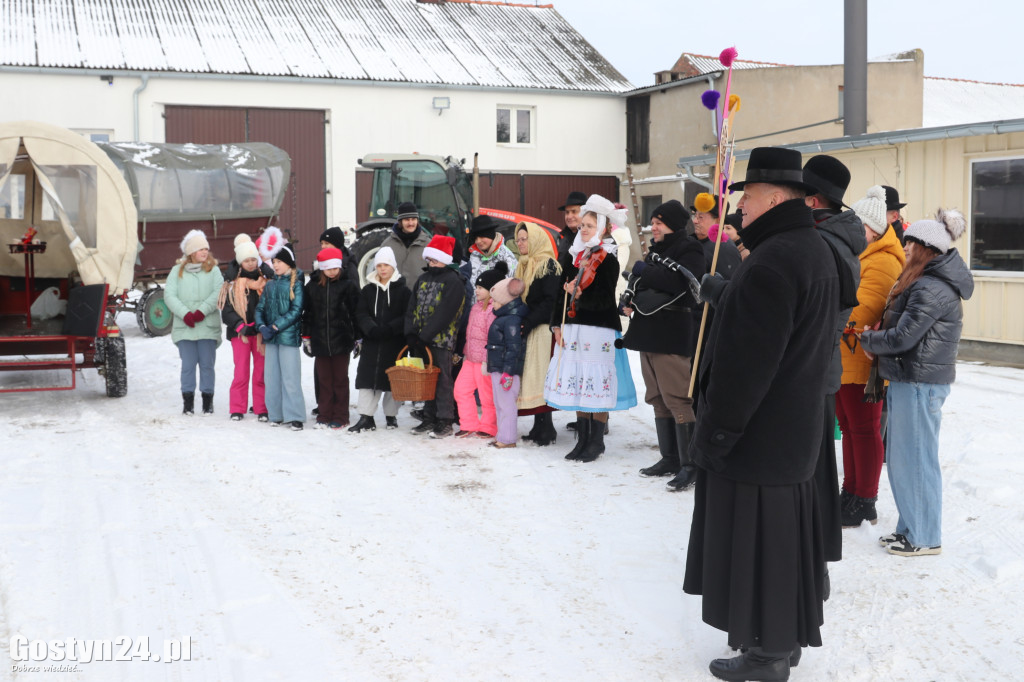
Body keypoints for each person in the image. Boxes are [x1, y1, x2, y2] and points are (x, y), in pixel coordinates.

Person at [683, 147, 838, 680]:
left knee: (763, 549)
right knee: (782, 546)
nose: (740, 209)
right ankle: (780, 639)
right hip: (788, 434)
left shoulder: (773, 260)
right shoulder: (806, 247)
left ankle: (768, 653)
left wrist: (717, 434)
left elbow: (748, 365)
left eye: (746, 198)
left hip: (759, 437)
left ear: (773, 198)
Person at [859, 209, 974, 556]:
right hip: (911, 379)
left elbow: (903, 337)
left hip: (920, 383)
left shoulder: (931, 287)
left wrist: (868, 340)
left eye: (910, 245)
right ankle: (910, 527)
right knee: (906, 459)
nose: (906, 250)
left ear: (926, 248)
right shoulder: (926, 282)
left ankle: (924, 537)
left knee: (917, 459)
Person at [802, 154, 866, 570]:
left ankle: (812, 568)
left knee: (811, 479)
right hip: (816, 371)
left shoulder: (824, 245)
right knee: (814, 476)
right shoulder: (830, 240)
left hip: (809, 373)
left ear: (812, 200)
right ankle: (813, 564)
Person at [618, 199, 706, 489]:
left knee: (677, 397)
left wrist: (643, 271)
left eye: (658, 222)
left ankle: (689, 464)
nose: (652, 227)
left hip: (672, 332)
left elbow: (681, 284)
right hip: (648, 331)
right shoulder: (657, 252)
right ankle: (669, 457)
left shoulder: (689, 248)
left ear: (673, 224)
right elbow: (648, 283)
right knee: (656, 397)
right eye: (652, 222)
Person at [545, 194, 637, 463]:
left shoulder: (607, 258)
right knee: (578, 382)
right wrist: (556, 324)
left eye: (588, 225)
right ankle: (582, 439)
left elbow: (605, 300)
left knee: (593, 382)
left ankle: (595, 441)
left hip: (598, 329)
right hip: (574, 328)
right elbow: (559, 294)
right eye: (583, 225)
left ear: (602, 228)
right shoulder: (575, 256)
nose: (583, 229)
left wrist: (580, 295)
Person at [837, 186, 906, 527]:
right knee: (849, 428)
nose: (851, 230)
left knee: (864, 430)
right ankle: (850, 490)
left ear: (874, 230)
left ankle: (865, 498)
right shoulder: (862, 255)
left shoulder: (882, 260)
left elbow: (863, 310)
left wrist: (830, 316)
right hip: (845, 357)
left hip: (863, 362)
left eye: (857, 225)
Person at [405, 234, 466, 438]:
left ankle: (445, 420)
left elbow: (445, 313)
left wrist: (426, 334)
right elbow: (412, 307)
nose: (431, 263)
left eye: (435, 260)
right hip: (422, 339)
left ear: (446, 259)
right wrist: (411, 333)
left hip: (442, 340)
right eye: (429, 260)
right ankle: (429, 417)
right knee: (426, 381)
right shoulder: (422, 279)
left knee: (442, 381)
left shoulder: (453, 281)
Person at [351, 247, 411, 432]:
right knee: (367, 380)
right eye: (379, 265)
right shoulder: (368, 290)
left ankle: (391, 415)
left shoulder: (404, 291)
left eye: (386, 265)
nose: (382, 269)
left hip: (395, 342)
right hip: (372, 341)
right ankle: (366, 416)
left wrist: (390, 328)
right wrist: (371, 328)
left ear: (393, 266)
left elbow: (407, 315)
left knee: (394, 381)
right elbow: (361, 313)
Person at [165, 229, 223, 415]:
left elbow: (218, 292)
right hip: (185, 327)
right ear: (191, 252)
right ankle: (187, 403)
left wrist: (201, 311)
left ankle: (208, 402)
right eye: (200, 249)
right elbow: (169, 295)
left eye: (206, 249)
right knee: (188, 366)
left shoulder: (214, 271)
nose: (204, 252)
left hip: (206, 326)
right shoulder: (176, 271)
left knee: (207, 365)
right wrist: (185, 313)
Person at [513, 222, 562, 446]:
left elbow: (550, 301)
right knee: (532, 377)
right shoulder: (523, 265)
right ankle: (538, 425)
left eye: (525, 239)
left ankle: (547, 427)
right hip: (529, 325)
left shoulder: (548, 265)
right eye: (519, 239)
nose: (521, 243)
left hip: (543, 328)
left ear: (536, 240)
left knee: (541, 376)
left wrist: (529, 321)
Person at [302, 247, 360, 429]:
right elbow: (307, 313)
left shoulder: (348, 286)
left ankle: (341, 415)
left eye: (335, 268)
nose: (333, 272)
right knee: (324, 380)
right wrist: (306, 336)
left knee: (340, 380)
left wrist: (358, 337)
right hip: (320, 340)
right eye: (328, 268)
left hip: (341, 340)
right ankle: (324, 413)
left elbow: (356, 313)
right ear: (322, 269)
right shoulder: (312, 287)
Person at [255, 229, 306, 430]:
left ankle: (295, 416)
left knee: (290, 378)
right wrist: (261, 326)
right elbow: (260, 308)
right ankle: (275, 413)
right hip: (271, 338)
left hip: (287, 338)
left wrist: (276, 326)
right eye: (273, 262)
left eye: (279, 262)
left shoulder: (297, 284)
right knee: (272, 377)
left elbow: (296, 310)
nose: (275, 265)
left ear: (289, 263)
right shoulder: (269, 286)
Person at [220, 234, 271, 421]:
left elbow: (269, 307)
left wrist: (261, 326)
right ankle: (237, 407)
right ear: (240, 262)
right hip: (240, 334)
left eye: (253, 260)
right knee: (241, 372)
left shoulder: (264, 282)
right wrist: (241, 326)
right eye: (246, 260)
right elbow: (226, 311)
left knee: (260, 373)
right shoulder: (232, 285)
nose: (250, 263)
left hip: (259, 334)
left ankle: (261, 407)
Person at [453, 265, 501, 440]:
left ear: (492, 290)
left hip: (484, 361)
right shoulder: (475, 307)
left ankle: (489, 426)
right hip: (470, 358)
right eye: (477, 287)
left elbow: (493, 337)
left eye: (481, 288)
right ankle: (468, 424)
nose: (477, 290)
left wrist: (489, 360)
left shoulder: (493, 311)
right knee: (460, 390)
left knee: (486, 396)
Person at [487, 276, 528, 448]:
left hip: (505, 370)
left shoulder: (512, 319)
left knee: (506, 404)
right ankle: (502, 435)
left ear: (505, 301)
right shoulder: (505, 317)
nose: (492, 303)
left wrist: (508, 372)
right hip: (498, 367)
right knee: (499, 403)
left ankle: (508, 438)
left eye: (495, 300)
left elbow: (513, 347)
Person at [462, 214, 519, 305]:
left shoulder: (506, 257)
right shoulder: (474, 255)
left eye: (482, 237)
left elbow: (507, 290)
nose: (478, 241)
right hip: (475, 310)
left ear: (490, 235)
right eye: (476, 238)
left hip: (494, 312)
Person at [380, 201, 432, 285]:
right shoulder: (387, 245)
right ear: (400, 222)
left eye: (413, 219)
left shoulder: (428, 244)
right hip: (395, 296)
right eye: (407, 220)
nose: (411, 223)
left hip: (419, 295)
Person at [556, 190, 586, 260]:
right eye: (567, 212)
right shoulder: (561, 238)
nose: (569, 216)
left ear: (585, 213)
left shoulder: (592, 238)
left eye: (574, 212)